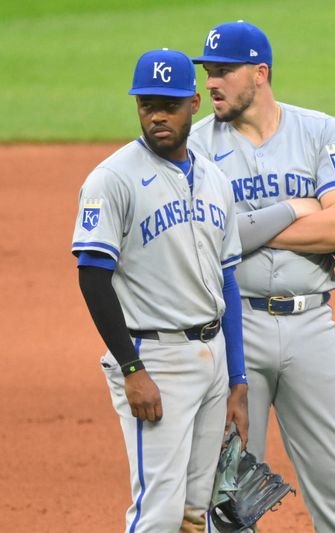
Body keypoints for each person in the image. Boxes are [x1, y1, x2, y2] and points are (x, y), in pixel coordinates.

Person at [188, 21, 335, 532]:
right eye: (209, 72)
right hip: (233, 329)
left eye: (224, 71)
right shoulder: (196, 147)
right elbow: (208, 238)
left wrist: (249, 228)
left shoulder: (321, 131)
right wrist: (294, 207)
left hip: (312, 328)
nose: (211, 84)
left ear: (260, 73)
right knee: (229, 501)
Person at [72, 49, 249, 532]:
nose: (157, 115)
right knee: (159, 512)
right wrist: (132, 369)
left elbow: (227, 279)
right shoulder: (112, 179)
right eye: (147, 104)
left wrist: (237, 378)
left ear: (194, 103)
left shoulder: (215, 179)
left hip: (212, 357)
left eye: (168, 105)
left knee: (199, 511)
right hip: (155, 358)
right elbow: (92, 276)